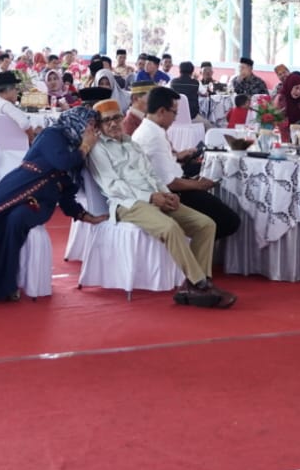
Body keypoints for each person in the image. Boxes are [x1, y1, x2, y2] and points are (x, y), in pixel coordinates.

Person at [87, 93, 234, 309]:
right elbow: (113, 186)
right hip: (128, 204)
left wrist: (166, 193)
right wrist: (150, 197)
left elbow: (151, 174)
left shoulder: (130, 142)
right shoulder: (98, 149)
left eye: (116, 118)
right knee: (170, 228)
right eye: (107, 120)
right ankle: (201, 284)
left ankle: (191, 287)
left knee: (205, 224)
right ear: (99, 126)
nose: (114, 124)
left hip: (155, 196)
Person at [0, 92, 110, 302]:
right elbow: (62, 162)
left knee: (16, 219)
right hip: (18, 186)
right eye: (90, 126)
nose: (92, 132)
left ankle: (6, 284)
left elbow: (67, 194)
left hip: (42, 200)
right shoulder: (53, 135)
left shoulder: (78, 152)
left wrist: (85, 216)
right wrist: (84, 146)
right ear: (78, 121)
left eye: (94, 127)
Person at [137, 87, 240, 240]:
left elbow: (164, 167)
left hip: (174, 184)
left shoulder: (150, 128)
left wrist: (180, 160)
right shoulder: (153, 136)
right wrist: (198, 185)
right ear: (161, 111)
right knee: (229, 221)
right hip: (169, 195)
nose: (175, 118)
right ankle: (194, 246)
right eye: (174, 113)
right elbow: (170, 183)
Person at [0, 70, 34, 147]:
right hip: (6, 149)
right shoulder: (5, 105)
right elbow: (25, 124)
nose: (17, 92)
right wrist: (32, 141)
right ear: (7, 90)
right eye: (16, 88)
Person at [278, 71, 300, 140]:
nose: (298, 92)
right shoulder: (281, 99)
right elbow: (278, 122)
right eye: (296, 88)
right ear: (290, 86)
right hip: (285, 137)